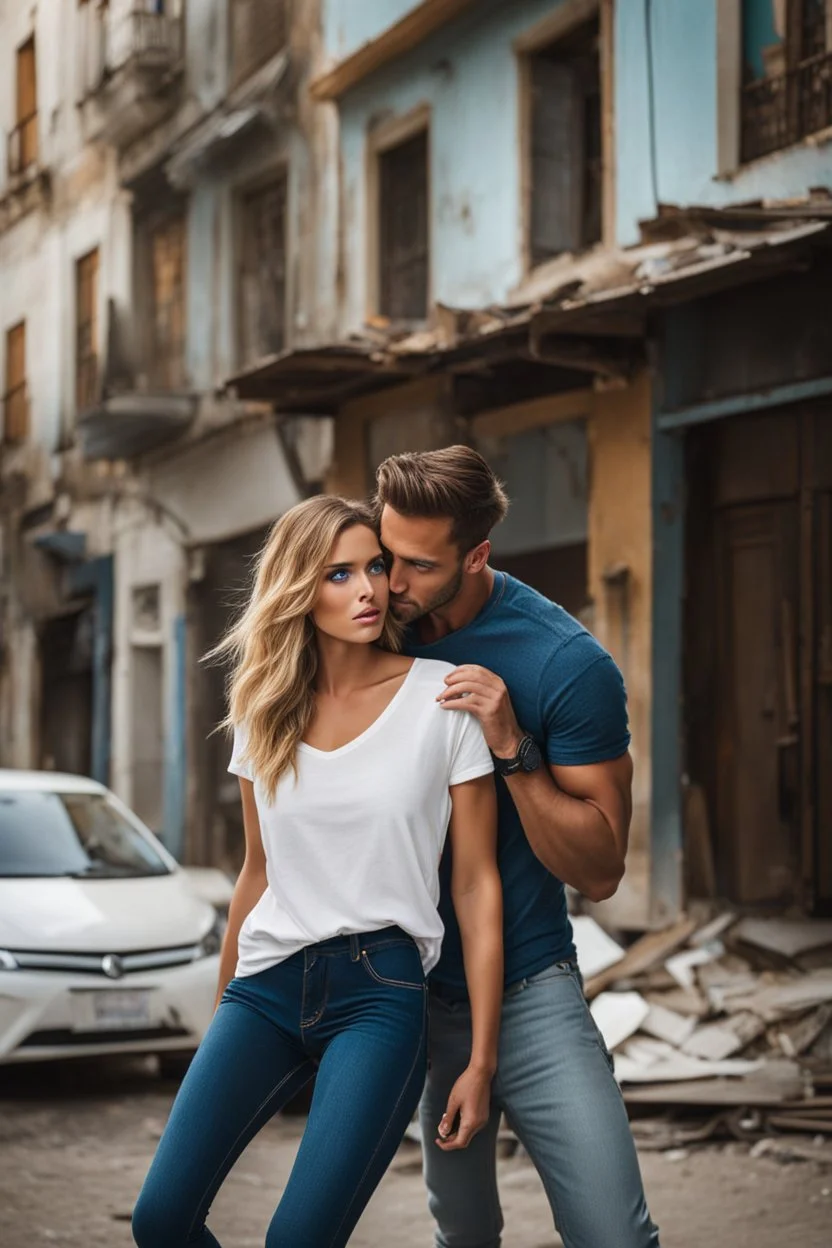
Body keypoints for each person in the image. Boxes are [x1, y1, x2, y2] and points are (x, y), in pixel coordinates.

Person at [131, 495, 503, 1248]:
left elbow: (474, 884)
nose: (367, 589)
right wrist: (219, 1015)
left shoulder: (444, 698)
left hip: (380, 992)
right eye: (339, 573)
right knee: (160, 1221)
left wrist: (481, 1061)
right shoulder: (262, 710)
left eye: (374, 567)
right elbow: (256, 874)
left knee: (296, 1240)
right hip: (264, 989)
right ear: (299, 588)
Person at [376, 446, 660, 1248]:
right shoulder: (366, 627)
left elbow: (601, 869)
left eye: (417, 567)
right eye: (383, 554)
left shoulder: (565, 664)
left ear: (477, 557)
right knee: (461, 1234)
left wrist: (513, 749)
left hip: (531, 983)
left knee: (616, 1235)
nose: (388, 584)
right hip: (401, 990)